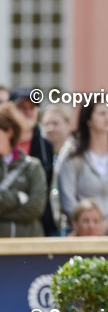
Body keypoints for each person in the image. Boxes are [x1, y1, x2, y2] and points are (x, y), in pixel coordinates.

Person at [58, 101, 108, 235]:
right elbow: (67, 197)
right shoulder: (71, 154)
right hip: (80, 233)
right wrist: (87, 224)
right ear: (88, 119)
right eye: (102, 113)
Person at [9, 87, 56, 235]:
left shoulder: (46, 146)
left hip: (40, 223)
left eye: (32, 107)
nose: (28, 112)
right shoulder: (4, 144)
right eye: (22, 107)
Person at [0, 104, 47, 238]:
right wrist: (17, 197)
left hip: (29, 246)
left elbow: (36, 208)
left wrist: (2, 214)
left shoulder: (33, 166)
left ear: (9, 131)